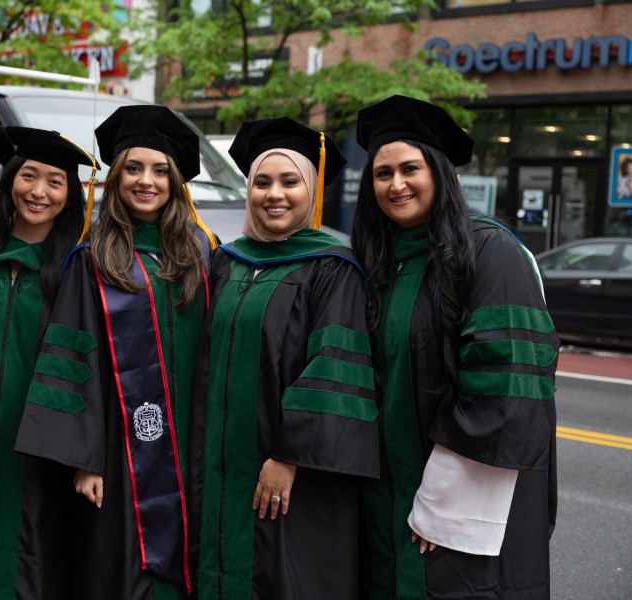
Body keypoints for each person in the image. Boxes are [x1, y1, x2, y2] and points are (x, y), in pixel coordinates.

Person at [351, 95, 558, 599]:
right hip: (388, 499)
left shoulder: (489, 252)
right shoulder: (377, 263)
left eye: (409, 168)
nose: (396, 184)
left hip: (460, 504)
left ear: (440, 173)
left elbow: (504, 391)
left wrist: (444, 504)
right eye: (382, 173)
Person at [14, 104, 217, 599]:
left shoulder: (202, 252)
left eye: (159, 171)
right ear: (115, 176)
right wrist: (87, 460)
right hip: (119, 449)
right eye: (133, 168)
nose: (146, 181)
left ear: (175, 182)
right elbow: (72, 358)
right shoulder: (94, 257)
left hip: (194, 442)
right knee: (123, 566)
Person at [188, 117, 379, 599]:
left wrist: (288, 456)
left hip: (289, 473)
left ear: (311, 190)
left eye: (290, 181)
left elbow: (334, 368)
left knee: (283, 575)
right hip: (219, 466)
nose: (275, 194)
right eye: (262, 182)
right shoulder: (226, 261)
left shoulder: (332, 269)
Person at [0, 126, 98, 599]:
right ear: (10, 180)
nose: (38, 191)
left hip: (37, 452)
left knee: (32, 558)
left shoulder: (82, 266)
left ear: (71, 194)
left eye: (55, 181)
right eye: (28, 176)